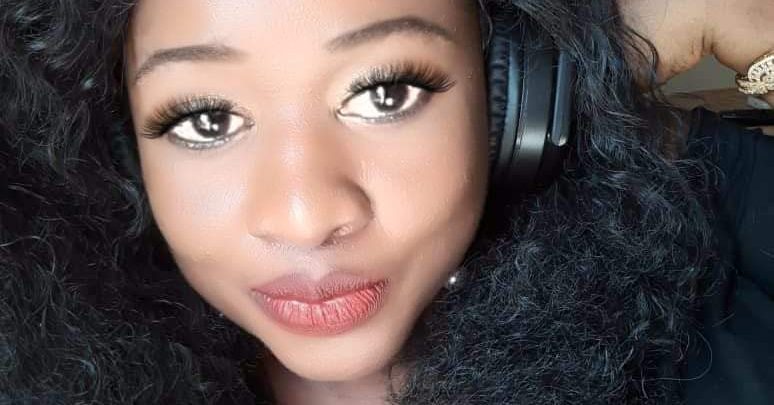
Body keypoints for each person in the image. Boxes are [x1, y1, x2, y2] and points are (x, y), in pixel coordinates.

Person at [1, 0, 772, 404]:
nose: (305, 216)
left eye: (384, 92)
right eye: (205, 120)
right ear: (121, 153)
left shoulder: (720, 302)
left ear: (513, 101)